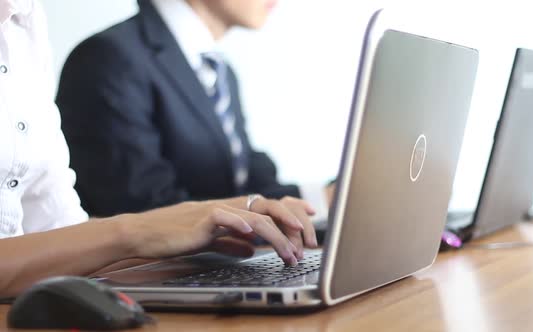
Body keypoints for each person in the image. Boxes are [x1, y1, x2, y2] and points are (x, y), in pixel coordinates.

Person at [0, 0, 317, 298]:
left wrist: (229, 224)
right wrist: (138, 230)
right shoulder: (109, 56)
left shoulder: (25, 22)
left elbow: (60, 232)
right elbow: (136, 204)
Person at [55, 0, 333, 219]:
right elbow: (145, 211)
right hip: (151, 280)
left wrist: (330, 198)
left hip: (217, 268)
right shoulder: (109, 59)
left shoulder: (217, 69)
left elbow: (242, 185)